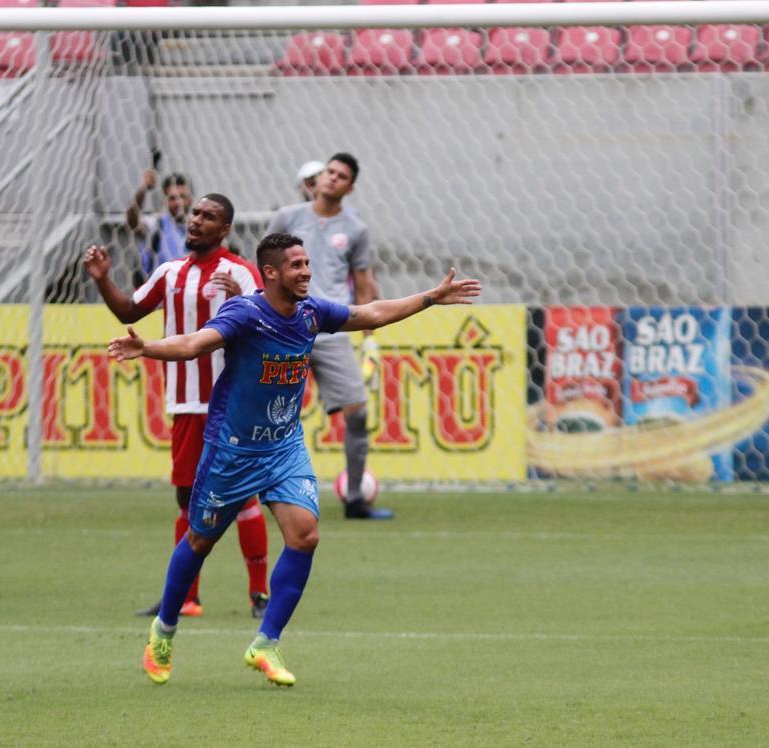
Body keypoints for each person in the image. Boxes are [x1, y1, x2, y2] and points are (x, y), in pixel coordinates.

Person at [108, 232, 481, 687]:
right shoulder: (244, 314)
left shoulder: (311, 313)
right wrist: (146, 347)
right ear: (271, 273)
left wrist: (430, 298)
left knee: (304, 536)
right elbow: (195, 344)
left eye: (307, 264)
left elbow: (370, 314)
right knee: (200, 541)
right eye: (297, 265)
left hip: (283, 447)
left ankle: (265, 643)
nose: (306, 272)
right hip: (233, 451)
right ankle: (163, 630)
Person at [85, 193, 270, 620]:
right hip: (186, 403)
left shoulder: (239, 272)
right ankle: (186, 596)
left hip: (232, 404)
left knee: (242, 498)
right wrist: (101, 279)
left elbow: (270, 320)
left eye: (208, 217)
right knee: (187, 500)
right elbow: (129, 309)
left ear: (224, 229)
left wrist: (243, 295)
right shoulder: (169, 273)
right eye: (195, 214)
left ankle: (259, 595)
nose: (196, 221)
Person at [267, 152, 390, 519]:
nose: (331, 178)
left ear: (349, 187)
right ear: (319, 179)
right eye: (328, 172)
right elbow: (266, 270)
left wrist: (369, 337)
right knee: (268, 415)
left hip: (331, 329)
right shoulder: (288, 218)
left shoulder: (355, 230)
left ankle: (354, 499)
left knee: (357, 412)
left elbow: (365, 284)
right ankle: (260, 493)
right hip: (286, 330)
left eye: (340, 176)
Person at [126, 169, 193, 283]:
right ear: (165, 200)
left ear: (190, 199)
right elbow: (133, 221)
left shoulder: (195, 227)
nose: (178, 203)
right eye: (173, 198)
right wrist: (143, 190)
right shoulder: (156, 224)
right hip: (159, 294)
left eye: (182, 197)